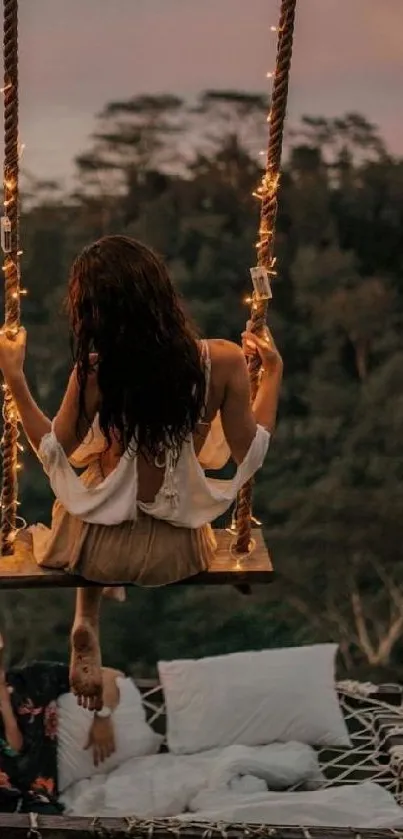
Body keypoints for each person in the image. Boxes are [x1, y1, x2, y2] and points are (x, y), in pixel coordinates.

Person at [0, 235, 283, 709]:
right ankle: (89, 618)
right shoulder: (223, 361)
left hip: (95, 556)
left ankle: (86, 617)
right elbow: (250, 451)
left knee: (88, 476)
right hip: (178, 554)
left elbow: (51, 450)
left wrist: (14, 378)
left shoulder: (93, 371)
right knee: (107, 479)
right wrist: (272, 372)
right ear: (161, 292)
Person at [0, 633, 122, 814]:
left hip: (37, 803)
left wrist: (102, 716)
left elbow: (108, 675)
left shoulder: (38, 678)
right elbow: (14, 747)